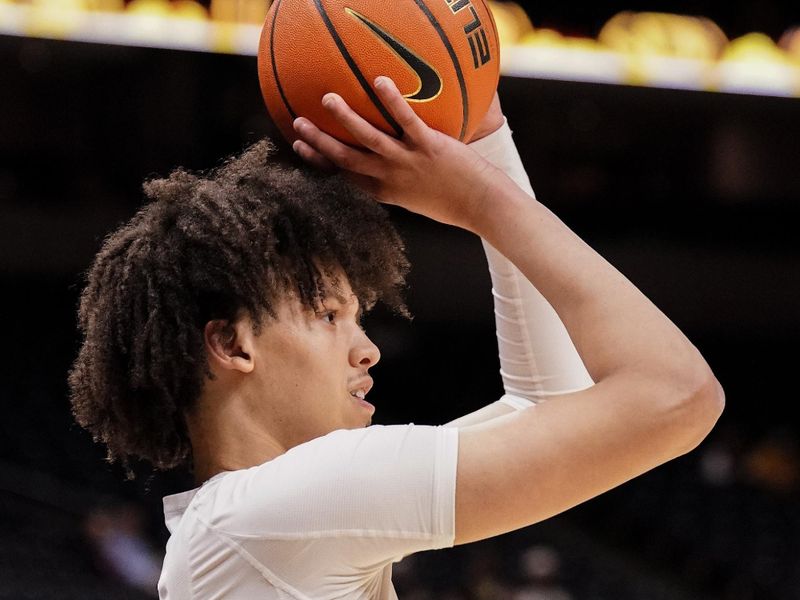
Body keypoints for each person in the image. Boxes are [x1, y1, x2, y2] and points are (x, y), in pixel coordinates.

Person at [69, 77, 724, 599]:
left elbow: (549, 403)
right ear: (235, 345)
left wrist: (486, 137)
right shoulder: (276, 510)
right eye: (329, 316)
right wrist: (482, 200)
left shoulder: (249, 524)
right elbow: (675, 395)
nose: (367, 349)